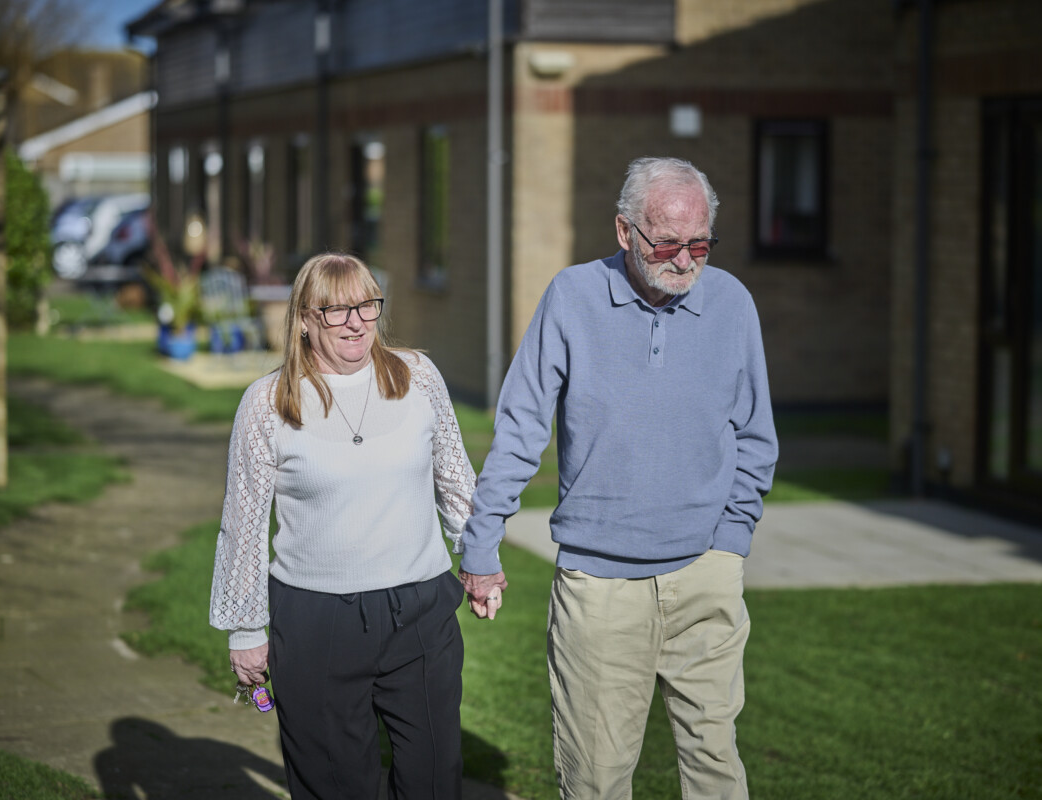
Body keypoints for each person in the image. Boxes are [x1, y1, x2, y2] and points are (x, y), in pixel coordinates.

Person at [459, 157, 778, 799]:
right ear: (624, 232)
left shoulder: (734, 304)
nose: (686, 261)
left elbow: (755, 435)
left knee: (717, 768)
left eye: (700, 244)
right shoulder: (572, 297)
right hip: (600, 587)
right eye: (667, 242)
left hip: (706, 576)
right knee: (596, 779)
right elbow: (522, 427)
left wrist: (731, 540)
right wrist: (481, 541)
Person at [211, 252, 479, 799]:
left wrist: (479, 558)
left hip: (420, 614)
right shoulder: (267, 403)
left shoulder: (418, 377)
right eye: (335, 310)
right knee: (335, 785)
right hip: (315, 622)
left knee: (434, 780)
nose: (356, 321)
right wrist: (245, 628)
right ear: (304, 320)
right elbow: (243, 522)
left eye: (366, 305)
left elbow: (455, 480)